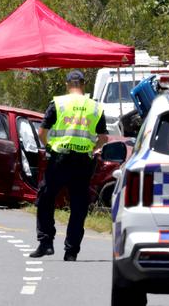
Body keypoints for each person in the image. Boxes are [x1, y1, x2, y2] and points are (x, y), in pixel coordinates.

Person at [29, 70, 108, 261]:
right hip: (83, 161)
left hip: (60, 159)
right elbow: (103, 138)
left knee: (46, 198)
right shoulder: (95, 107)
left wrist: (50, 147)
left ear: (67, 84)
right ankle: (71, 251)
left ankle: (46, 242)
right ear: (83, 84)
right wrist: (92, 150)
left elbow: (42, 132)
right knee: (79, 206)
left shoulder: (58, 103)